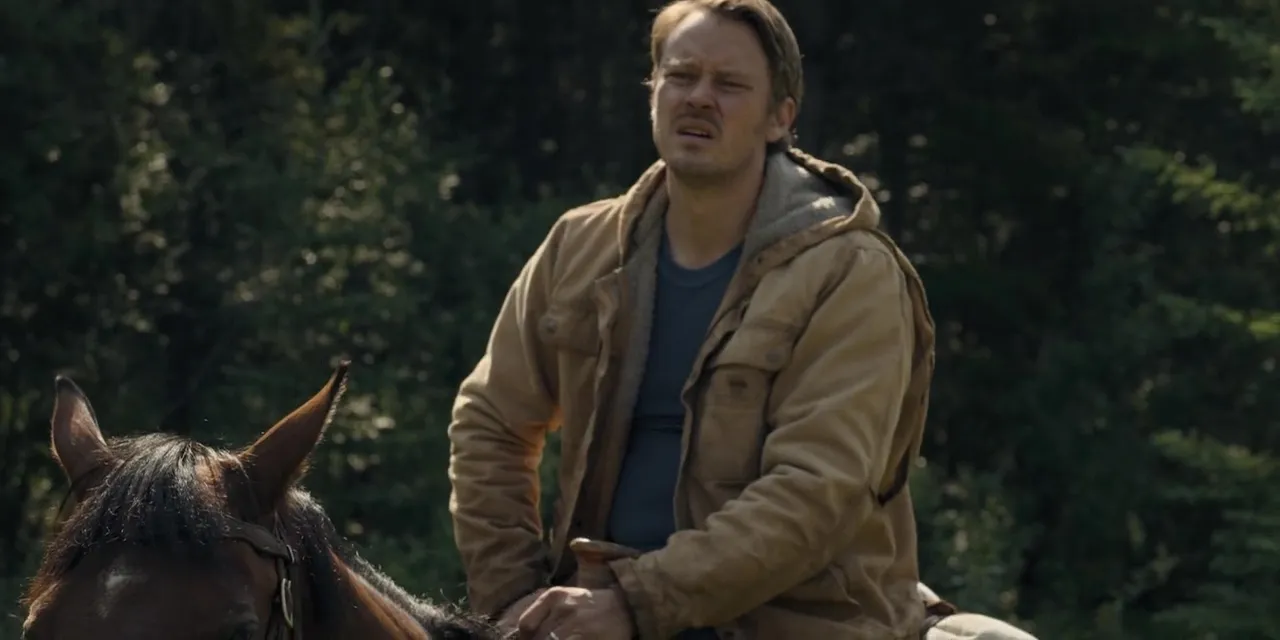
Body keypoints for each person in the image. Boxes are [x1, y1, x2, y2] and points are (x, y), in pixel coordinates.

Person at [447, 0, 937, 637]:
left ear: (780, 118)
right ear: (653, 93)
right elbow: (491, 422)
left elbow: (817, 489)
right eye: (680, 76)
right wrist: (513, 599)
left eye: (729, 84)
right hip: (593, 612)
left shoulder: (850, 272)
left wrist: (636, 603)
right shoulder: (580, 245)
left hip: (792, 625)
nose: (699, 97)